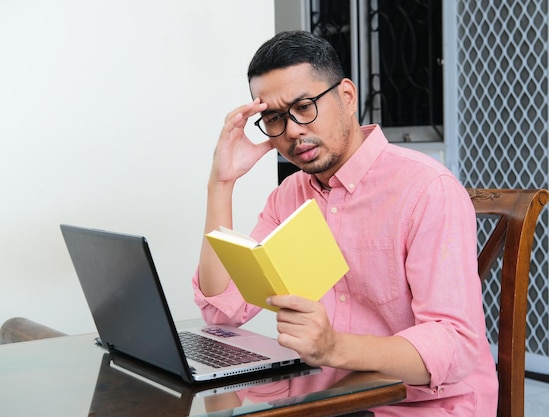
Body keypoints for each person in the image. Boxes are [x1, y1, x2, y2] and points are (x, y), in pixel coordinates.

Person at [192, 30, 498, 416]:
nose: (292, 131)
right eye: (273, 118)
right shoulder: (289, 195)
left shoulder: (426, 189)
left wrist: (334, 346)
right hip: (321, 402)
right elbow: (223, 310)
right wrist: (221, 184)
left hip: (417, 405)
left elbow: (454, 345)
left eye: (304, 107)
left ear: (348, 97)